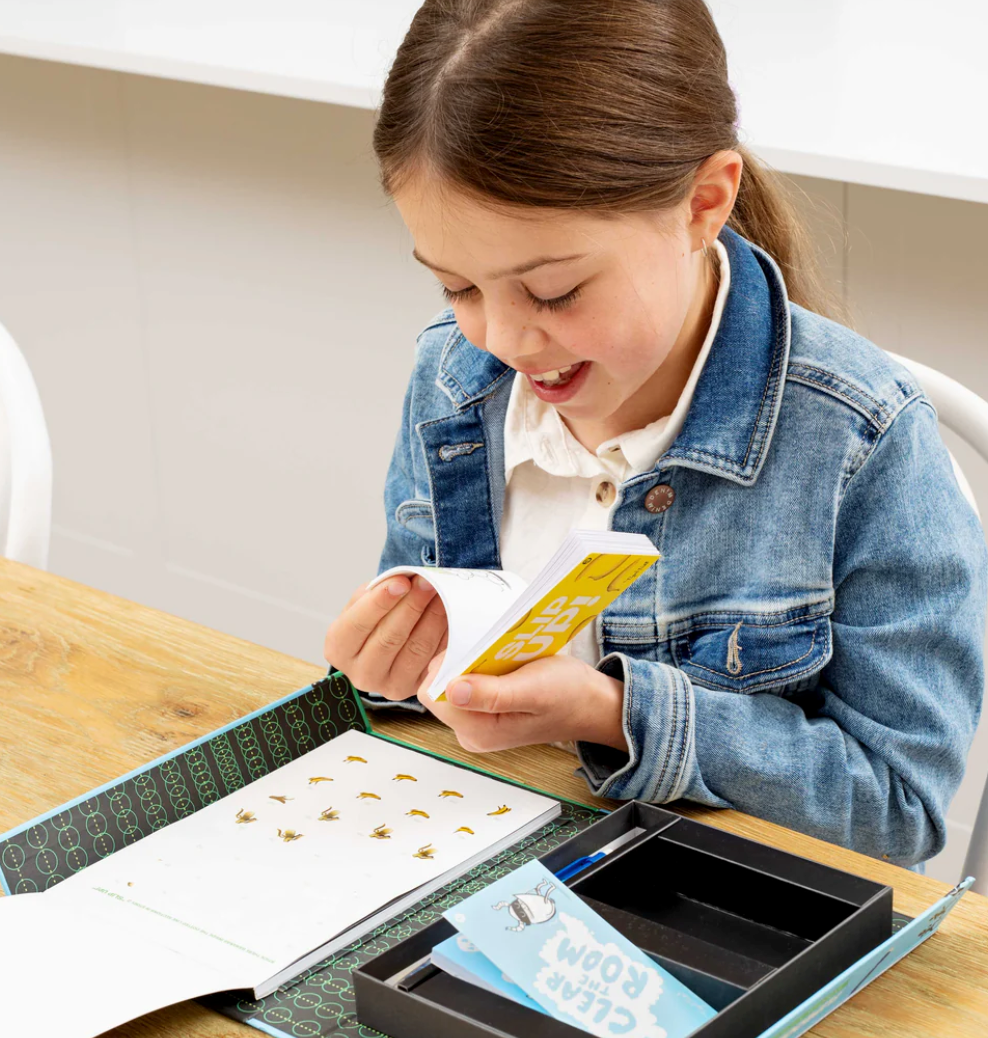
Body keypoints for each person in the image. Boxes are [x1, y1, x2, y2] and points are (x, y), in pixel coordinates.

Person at [324, 0, 987, 869]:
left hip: (722, 904)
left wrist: (612, 713)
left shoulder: (862, 442)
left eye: (555, 291)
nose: (505, 340)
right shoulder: (454, 383)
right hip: (492, 864)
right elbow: (423, 704)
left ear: (704, 204)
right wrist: (388, 670)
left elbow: (894, 813)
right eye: (457, 287)